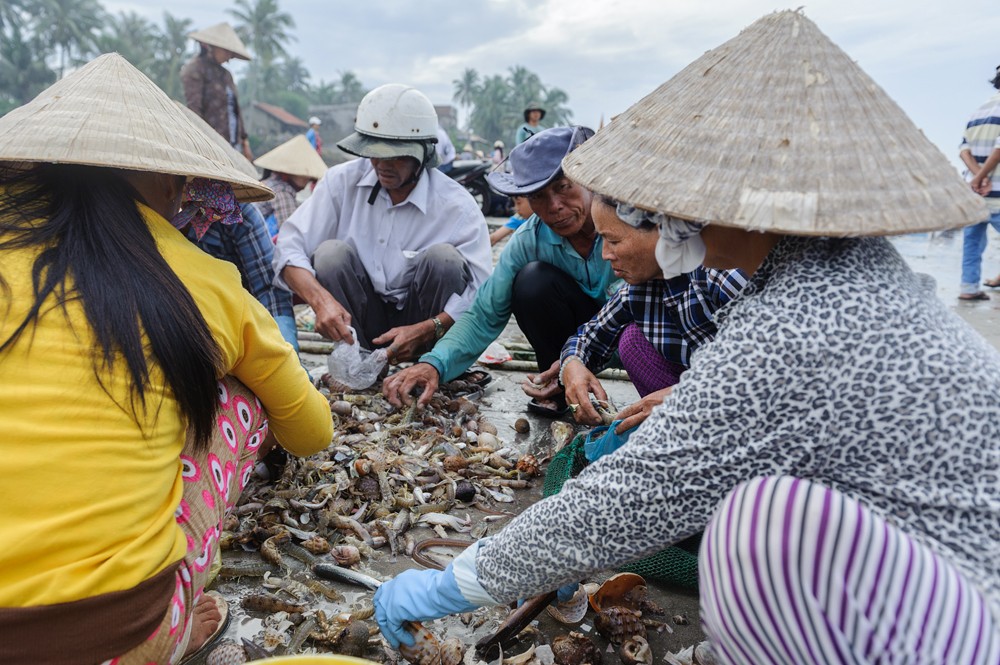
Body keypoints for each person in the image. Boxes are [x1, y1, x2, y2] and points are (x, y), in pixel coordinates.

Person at [372, 11, 999, 663]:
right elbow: (543, 322)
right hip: (936, 569)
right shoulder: (838, 265)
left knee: (756, 520)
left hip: (971, 613)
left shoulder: (798, 321)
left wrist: (448, 585)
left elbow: (631, 496)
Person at [0, 54, 333, 665]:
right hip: (111, 640)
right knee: (240, 394)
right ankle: (178, 626)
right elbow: (312, 431)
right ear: (168, 182)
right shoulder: (203, 279)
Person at [383, 126, 620, 415]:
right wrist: (434, 363)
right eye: (538, 196)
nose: (554, 206)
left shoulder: (628, 226)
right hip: (571, 350)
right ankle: (557, 385)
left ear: (587, 179)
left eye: (563, 187)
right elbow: (483, 314)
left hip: (630, 342)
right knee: (532, 282)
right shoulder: (529, 240)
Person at [273, 83, 491, 363]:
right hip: (360, 321)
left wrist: (429, 328)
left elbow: (482, 292)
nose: (383, 165)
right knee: (330, 254)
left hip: (426, 326)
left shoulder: (456, 205)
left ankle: (429, 362)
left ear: (422, 154)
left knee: (444, 260)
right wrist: (320, 301)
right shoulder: (341, 182)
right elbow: (289, 248)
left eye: (397, 157)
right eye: (375, 153)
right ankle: (359, 355)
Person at [561, 195, 747, 430]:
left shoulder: (722, 275)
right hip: (702, 394)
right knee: (632, 341)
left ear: (661, 230)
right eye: (602, 240)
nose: (605, 254)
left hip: (752, 409)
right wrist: (572, 365)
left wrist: (685, 395)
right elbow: (588, 337)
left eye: (614, 241)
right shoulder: (638, 290)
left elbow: (769, 369)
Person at [174, 100, 304, 353]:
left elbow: (267, 286)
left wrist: (287, 351)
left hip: (224, 325)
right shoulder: (126, 213)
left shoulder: (232, 211)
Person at [181, 22, 253, 161]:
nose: (229, 56)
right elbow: (194, 109)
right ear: (210, 47)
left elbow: (235, 111)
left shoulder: (226, 75)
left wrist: (244, 141)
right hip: (209, 142)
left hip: (232, 143)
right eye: (226, 51)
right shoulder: (194, 69)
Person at [959, 64, 1000, 300]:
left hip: (974, 193)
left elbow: (963, 150)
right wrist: (983, 177)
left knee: (972, 244)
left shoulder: (977, 112)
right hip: (996, 191)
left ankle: (968, 288)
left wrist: (977, 178)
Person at [255, 134, 328, 237]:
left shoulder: (270, 182)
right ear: (291, 172)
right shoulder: (281, 191)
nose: (308, 178)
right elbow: (289, 232)